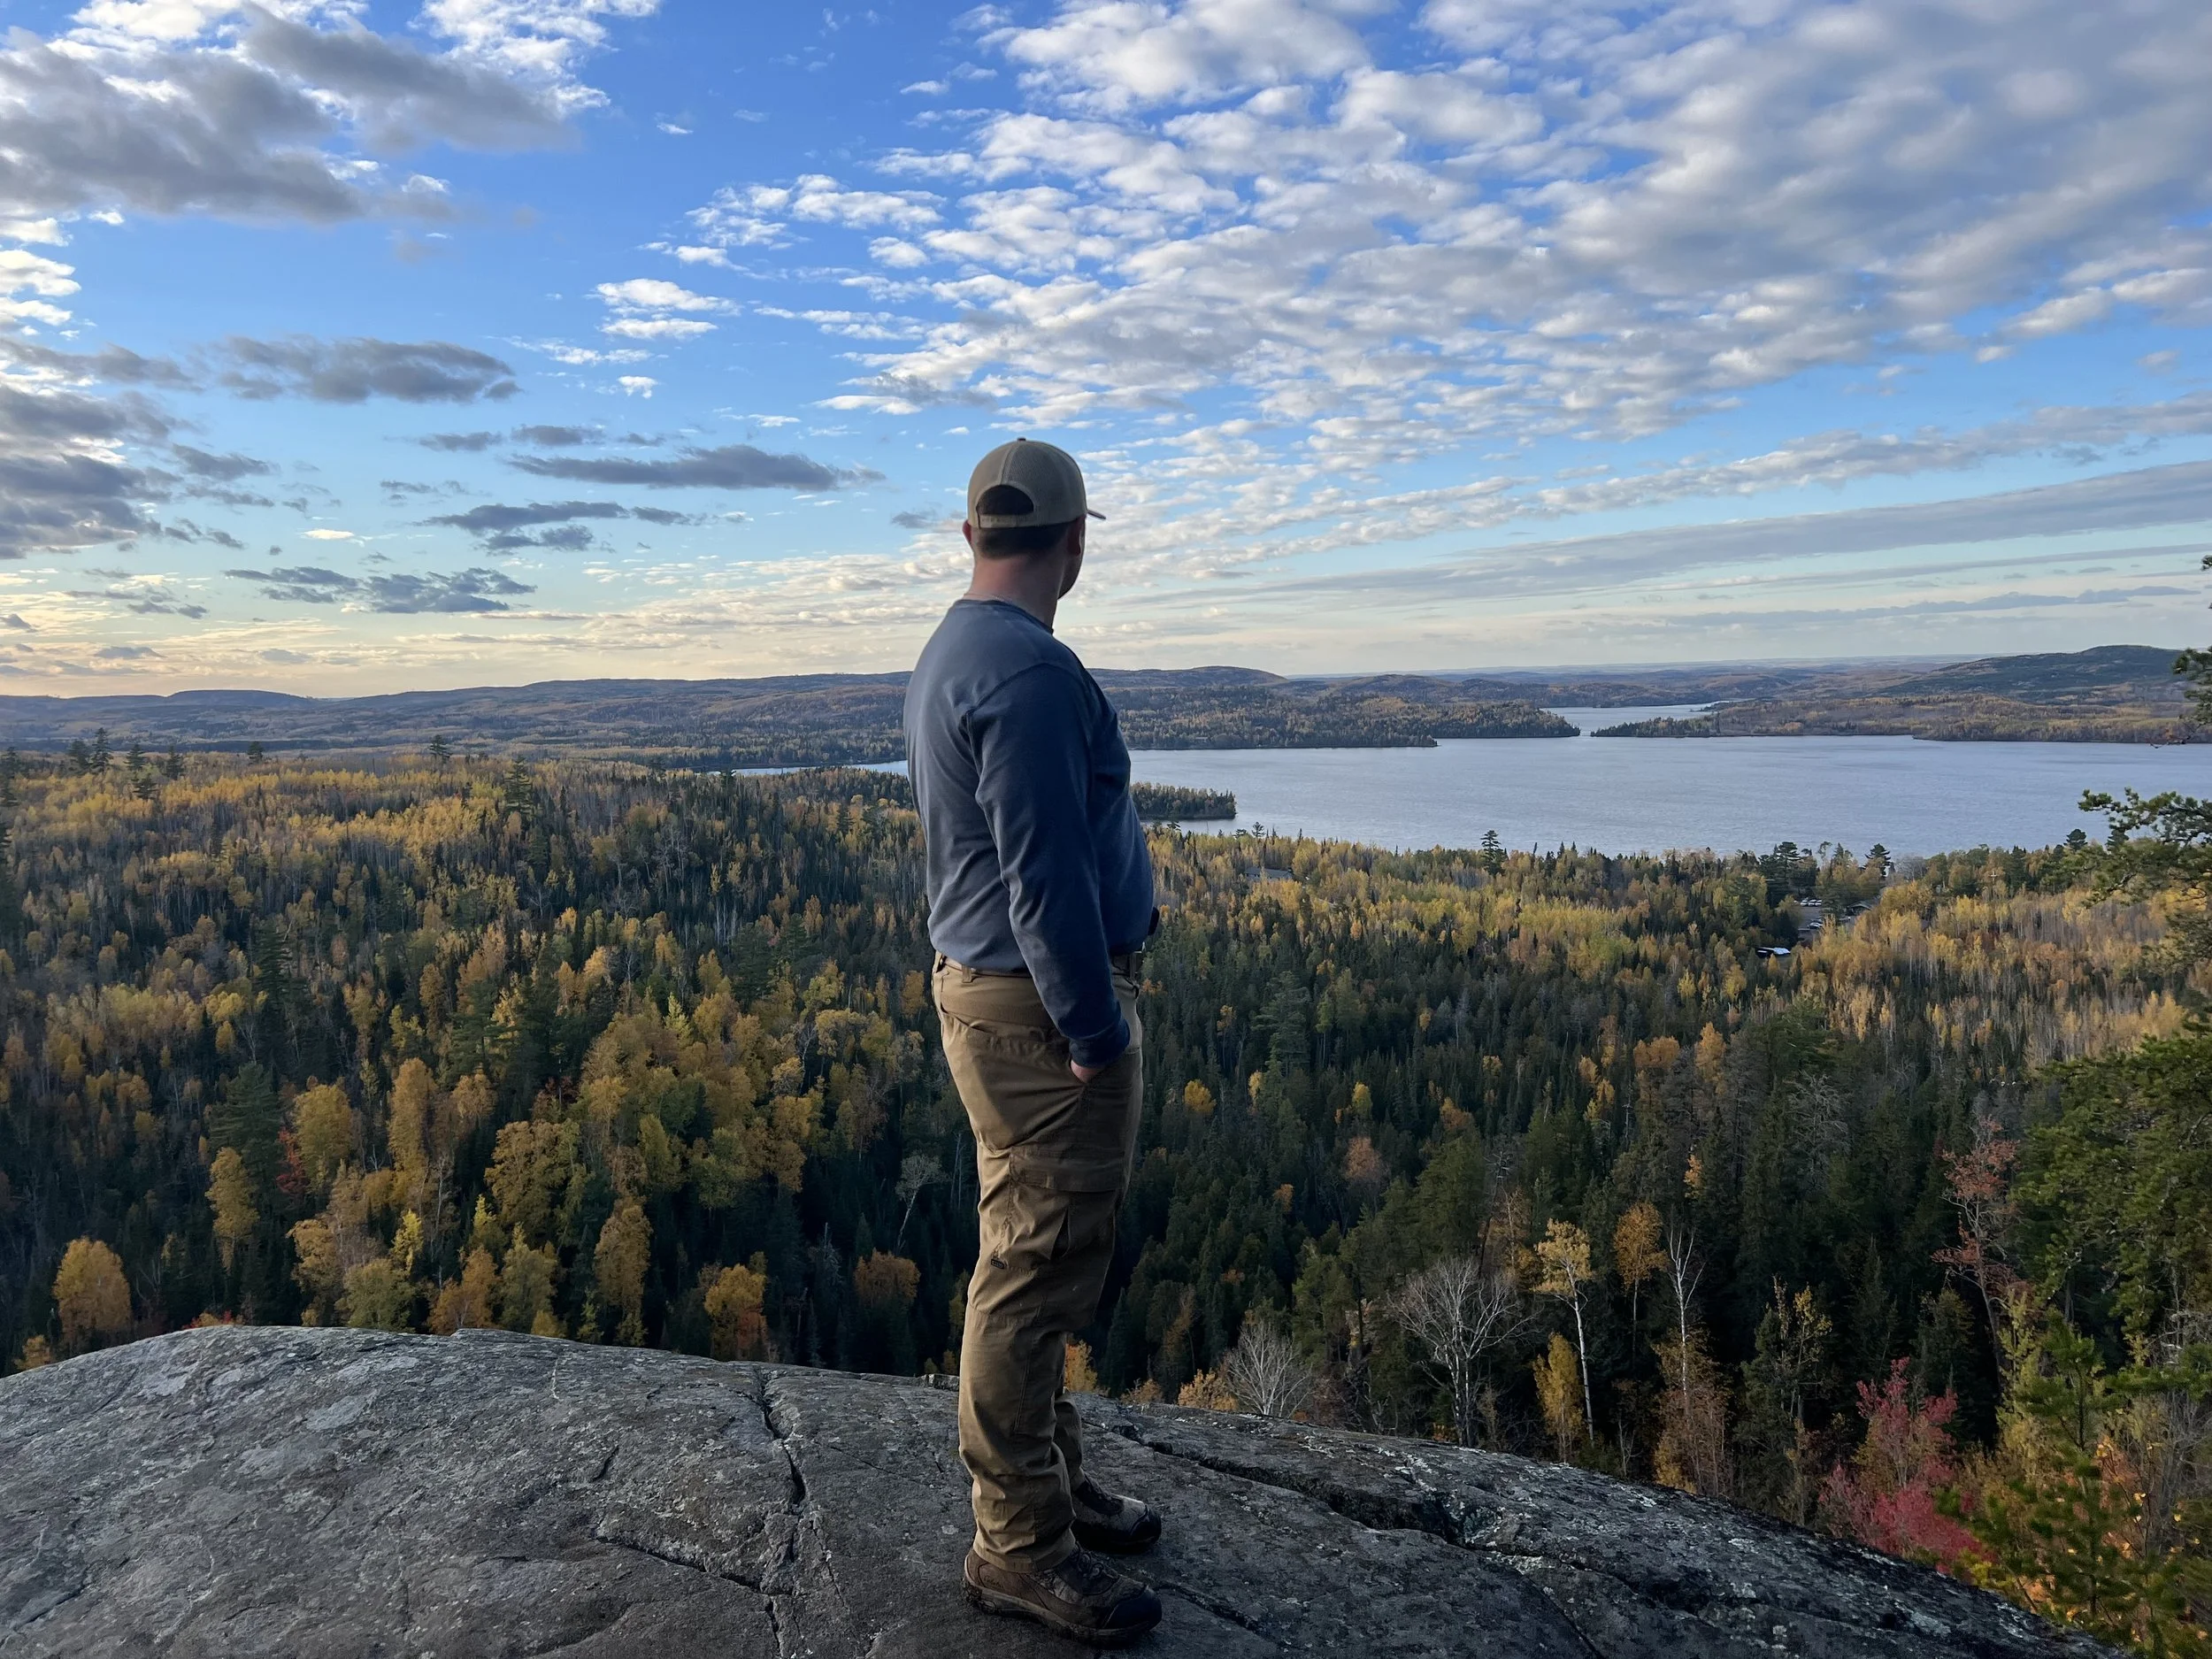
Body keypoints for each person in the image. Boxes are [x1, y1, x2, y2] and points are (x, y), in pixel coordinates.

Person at [904, 439, 1165, 1646]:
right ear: (1073, 543)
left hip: (987, 1001)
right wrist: (1096, 1033)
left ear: (971, 538)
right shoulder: (1031, 674)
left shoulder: (956, 648)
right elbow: (1047, 883)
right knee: (1033, 1266)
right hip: (1037, 1016)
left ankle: (1045, 1489)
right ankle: (1019, 1543)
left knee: (1034, 1251)